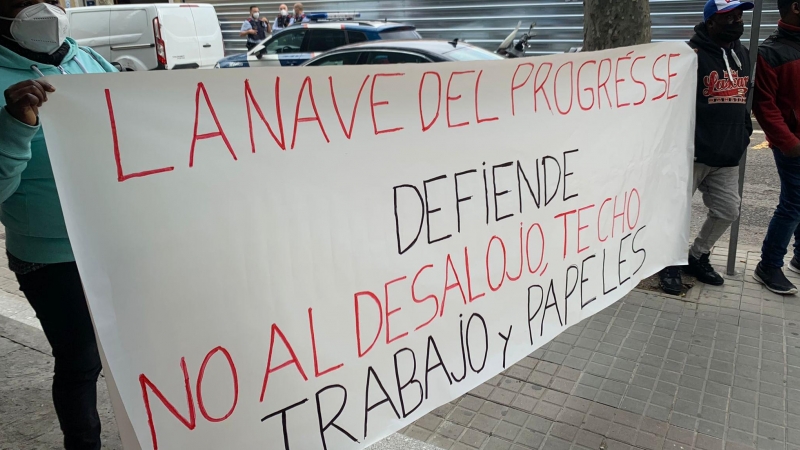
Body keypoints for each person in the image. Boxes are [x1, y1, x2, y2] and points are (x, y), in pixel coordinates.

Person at [0, 0, 117, 448]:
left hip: (118, 241)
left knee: (140, 349)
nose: (44, 8)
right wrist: (13, 126)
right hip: (51, 255)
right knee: (81, 360)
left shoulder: (89, 61)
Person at [659, 0, 754, 295]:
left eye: (740, 15)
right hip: (692, 152)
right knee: (676, 213)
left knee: (728, 210)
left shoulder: (742, 53)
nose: (737, 21)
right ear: (711, 21)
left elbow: (748, 96)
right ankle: (668, 262)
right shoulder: (689, 55)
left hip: (727, 154)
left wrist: (744, 134)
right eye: (730, 17)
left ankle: (697, 255)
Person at [752, 0, 800, 294]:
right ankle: (768, 265)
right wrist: (789, 143)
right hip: (794, 145)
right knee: (793, 204)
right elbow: (765, 106)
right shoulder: (770, 52)